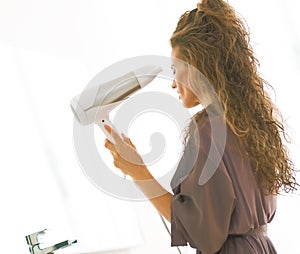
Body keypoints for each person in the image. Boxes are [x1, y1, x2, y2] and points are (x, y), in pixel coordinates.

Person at [104, 0, 297, 253]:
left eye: (176, 70)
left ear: (199, 66)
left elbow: (199, 228)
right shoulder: (252, 123)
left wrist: (140, 173)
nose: (173, 84)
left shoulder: (208, 133)